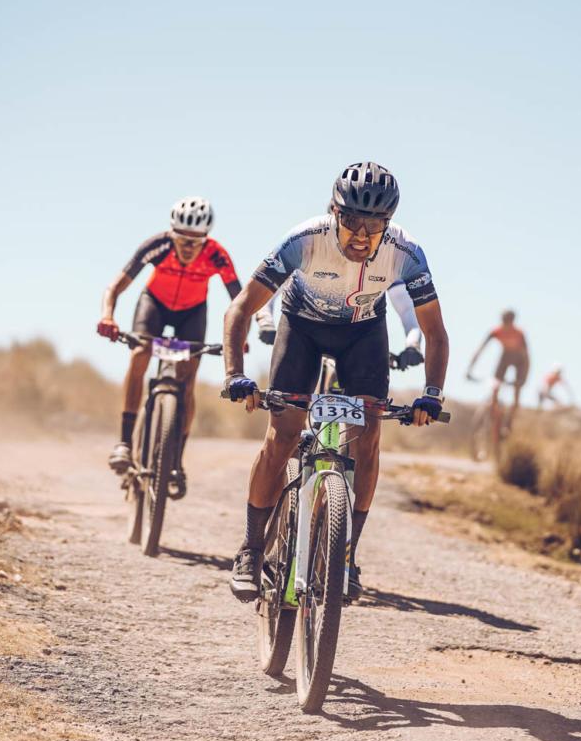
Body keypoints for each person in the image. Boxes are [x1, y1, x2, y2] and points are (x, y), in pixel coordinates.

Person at [221, 161, 450, 602]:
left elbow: (435, 332)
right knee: (283, 435)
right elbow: (241, 308)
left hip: (363, 333)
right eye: (352, 222)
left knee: (368, 436)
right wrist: (235, 374)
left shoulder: (406, 252)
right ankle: (250, 550)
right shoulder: (304, 240)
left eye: (375, 225)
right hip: (301, 327)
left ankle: (346, 555)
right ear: (334, 212)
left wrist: (432, 394)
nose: (362, 236)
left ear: (388, 223)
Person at [96, 196, 241, 497]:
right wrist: (107, 316)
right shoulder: (158, 246)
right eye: (182, 239)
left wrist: (239, 337)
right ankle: (124, 443)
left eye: (195, 241)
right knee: (140, 353)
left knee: (187, 381)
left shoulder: (217, 255)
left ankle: (176, 462)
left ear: (206, 238)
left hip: (193, 313)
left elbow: (240, 302)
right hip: (155, 305)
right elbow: (114, 287)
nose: (188, 247)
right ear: (171, 233)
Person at [254, 279, 425, 370]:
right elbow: (267, 293)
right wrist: (266, 323)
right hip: (310, 334)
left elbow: (407, 311)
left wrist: (412, 345)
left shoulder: (384, 261)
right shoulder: (310, 250)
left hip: (358, 338)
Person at [466, 310, 529, 441]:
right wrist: (469, 369)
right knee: (495, 386)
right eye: (504, 323)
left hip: (520, 361)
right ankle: (493, 414)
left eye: (508, 323)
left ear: (513, 322)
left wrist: (523, 379)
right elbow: (480, 350)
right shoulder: (495, 332)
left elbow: (527, 358)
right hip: (506, 357)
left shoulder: (519, 334)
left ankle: (508, 423)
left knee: (516, 393)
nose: (506, 326)